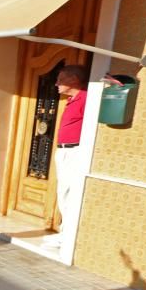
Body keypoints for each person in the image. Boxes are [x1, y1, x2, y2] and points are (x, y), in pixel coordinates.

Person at [44, 64, 90, 249]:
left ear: (74, 80)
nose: (56, 83)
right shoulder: (72, 100)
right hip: (64, 151)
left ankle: (68, 236)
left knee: (70, 193)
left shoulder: (86, 98)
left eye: (60, 80)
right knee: (63, 192)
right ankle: (64, 232)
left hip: (74, 151)